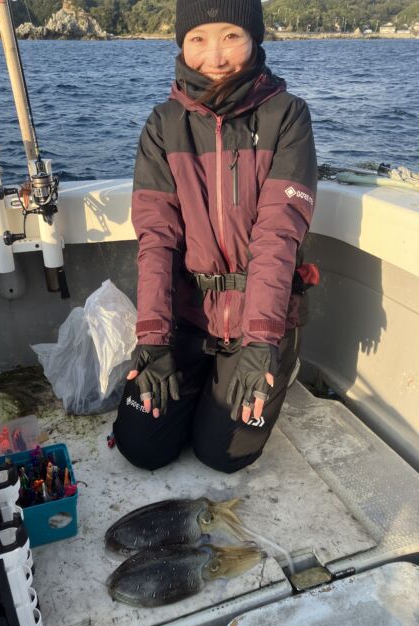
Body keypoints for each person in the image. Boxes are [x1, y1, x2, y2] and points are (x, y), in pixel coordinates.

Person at [113, 0, 318, 474]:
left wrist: (263, 340)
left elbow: (278, 236)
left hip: (258, 323)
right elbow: (157, 240)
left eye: (231, 36)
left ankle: (267, 366)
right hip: (189, 319)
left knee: (223, 455)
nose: (215, 56)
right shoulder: (163, 125)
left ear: (254, 38)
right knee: (141, 446)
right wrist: (154, 341)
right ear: (182, 44)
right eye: (198, 38)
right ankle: (200, 382)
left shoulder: (288, 116)